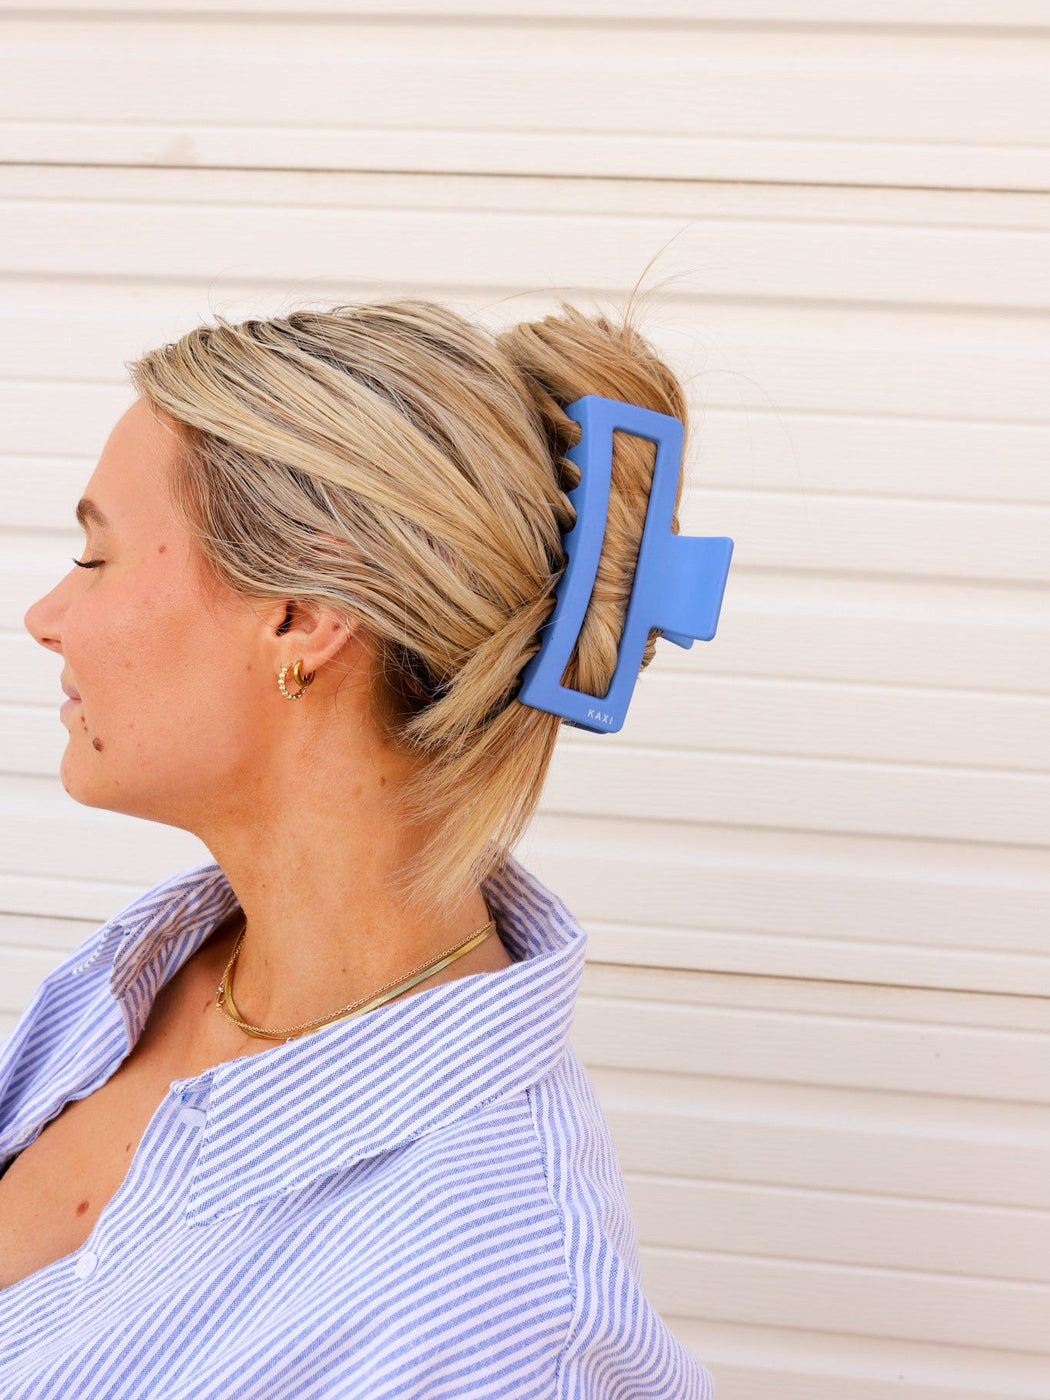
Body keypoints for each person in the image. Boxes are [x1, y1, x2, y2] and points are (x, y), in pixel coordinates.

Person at [1, 297, 715, 1398]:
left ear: (301, 614)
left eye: (96, 556)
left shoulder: (501, 1317)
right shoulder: (140, 976)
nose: (48, 615)